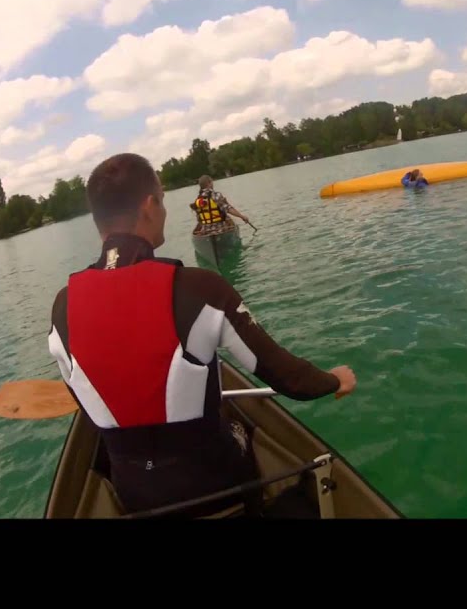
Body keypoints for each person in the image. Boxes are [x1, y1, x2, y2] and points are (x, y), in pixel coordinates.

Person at [47, 153, 355, 517]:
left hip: (134, 494)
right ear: (149, 206)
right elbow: (288, 377)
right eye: (161, 200)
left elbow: (82, 397)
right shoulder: (202, 289)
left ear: (98, 220)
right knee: (240, 428)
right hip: (214, 488)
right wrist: (333, 380)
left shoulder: (61, 307)